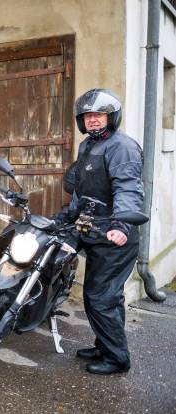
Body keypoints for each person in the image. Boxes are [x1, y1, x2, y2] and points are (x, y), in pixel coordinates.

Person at [53, 89, 144, 375]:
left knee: (100, 296)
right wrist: (69, 213)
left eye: (99, 115)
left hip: (114, 234)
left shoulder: (122, 147)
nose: (93, 121)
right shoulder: (87, 146)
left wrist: (121, 225)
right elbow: (82, 188)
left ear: (111, 117)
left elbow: (128, 188)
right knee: (107, 296)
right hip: (92, 227)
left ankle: (117, 359)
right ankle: (105, 343)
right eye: (88, 116)